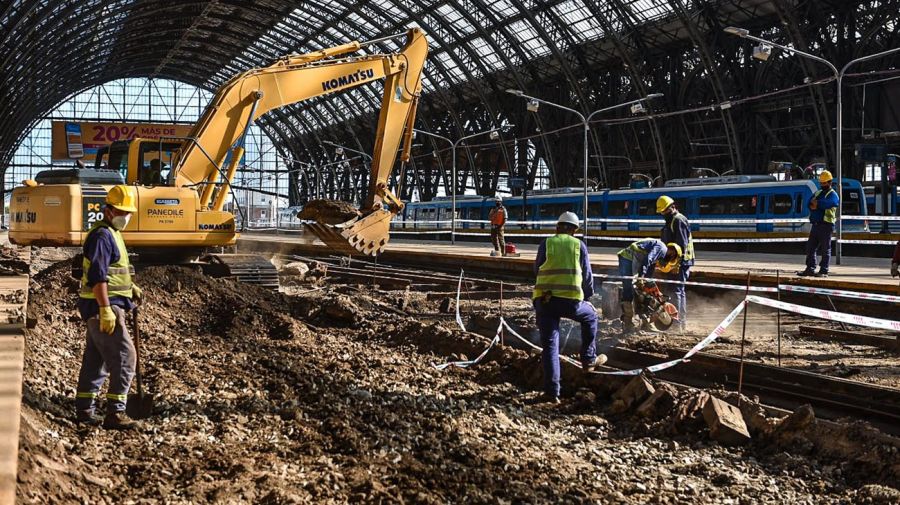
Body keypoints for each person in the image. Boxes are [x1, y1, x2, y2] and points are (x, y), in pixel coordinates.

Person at [75, 185, 143, 430]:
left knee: (96, 360)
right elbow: (98, 276)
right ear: (108, 210)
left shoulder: (112, 233)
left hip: (104, 306)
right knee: (126, 358)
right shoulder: (103, 236)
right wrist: (105, 308)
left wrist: (130, 287)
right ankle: (116, 412)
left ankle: (85, 409)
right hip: (104, 308)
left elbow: (113, 271)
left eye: (128, 212)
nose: (126, 216)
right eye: (122, 211)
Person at [532, 211, 607, 403]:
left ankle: (552, 393)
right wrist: (588, 297)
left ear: (557, 227)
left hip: (545, 301)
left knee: (550, 345)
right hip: (571, 303)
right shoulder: (578, 245)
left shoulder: (547, 243)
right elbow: (588, 276)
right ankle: (589, 360)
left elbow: (536, 269)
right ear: (574, 230)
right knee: (590, 316)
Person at [617, 239, 681, 332]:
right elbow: (648, 259)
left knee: (643, 294)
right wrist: (641, 277)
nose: (667, 262)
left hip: (632, 259)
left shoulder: (659, 255)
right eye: (671, 260)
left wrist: (648, 285)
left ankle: (646, 324)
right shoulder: (661, 248)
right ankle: (628, 324)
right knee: (628, 289)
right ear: (672, 253)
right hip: (627, 258)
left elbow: (649, 273)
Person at [657, 195, 695, 330]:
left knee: (677, 291)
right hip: (674, 262)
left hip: (681, 262)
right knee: (677, 291)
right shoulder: (671, 221)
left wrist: (676, 264)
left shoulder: (678, 221)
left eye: (665, 211)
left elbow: (681, 245)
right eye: (662, 212)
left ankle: (677, 324)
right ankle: (679, 323)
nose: (663, 214)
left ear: (672, 207)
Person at [797, 170, 839, 277]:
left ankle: (824, 270)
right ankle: (810, 268)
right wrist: (817, 205)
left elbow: (830, 203)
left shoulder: (833, 195)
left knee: (826, 249)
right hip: (816, 225)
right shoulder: (818, 192)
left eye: (824, 183)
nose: (822, 185)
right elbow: (809, 203)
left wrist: (818, 204)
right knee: (810, 247)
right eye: (821, 183)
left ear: (830, 182)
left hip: (826, 225)